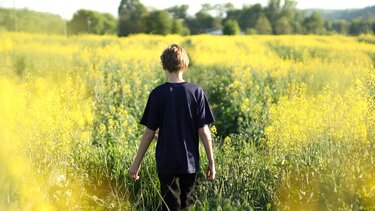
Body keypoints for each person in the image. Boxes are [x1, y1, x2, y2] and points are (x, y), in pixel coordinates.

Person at [128, 44, 216, 210]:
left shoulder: (157, 94)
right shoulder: (196, 92)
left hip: (166, 161)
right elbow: (204, 131)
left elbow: (148, 133)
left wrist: (136, 163)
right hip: (190, 162)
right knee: (188, 205)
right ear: (185, 65)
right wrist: (211, 161)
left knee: (170, 206)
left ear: (164, 65)